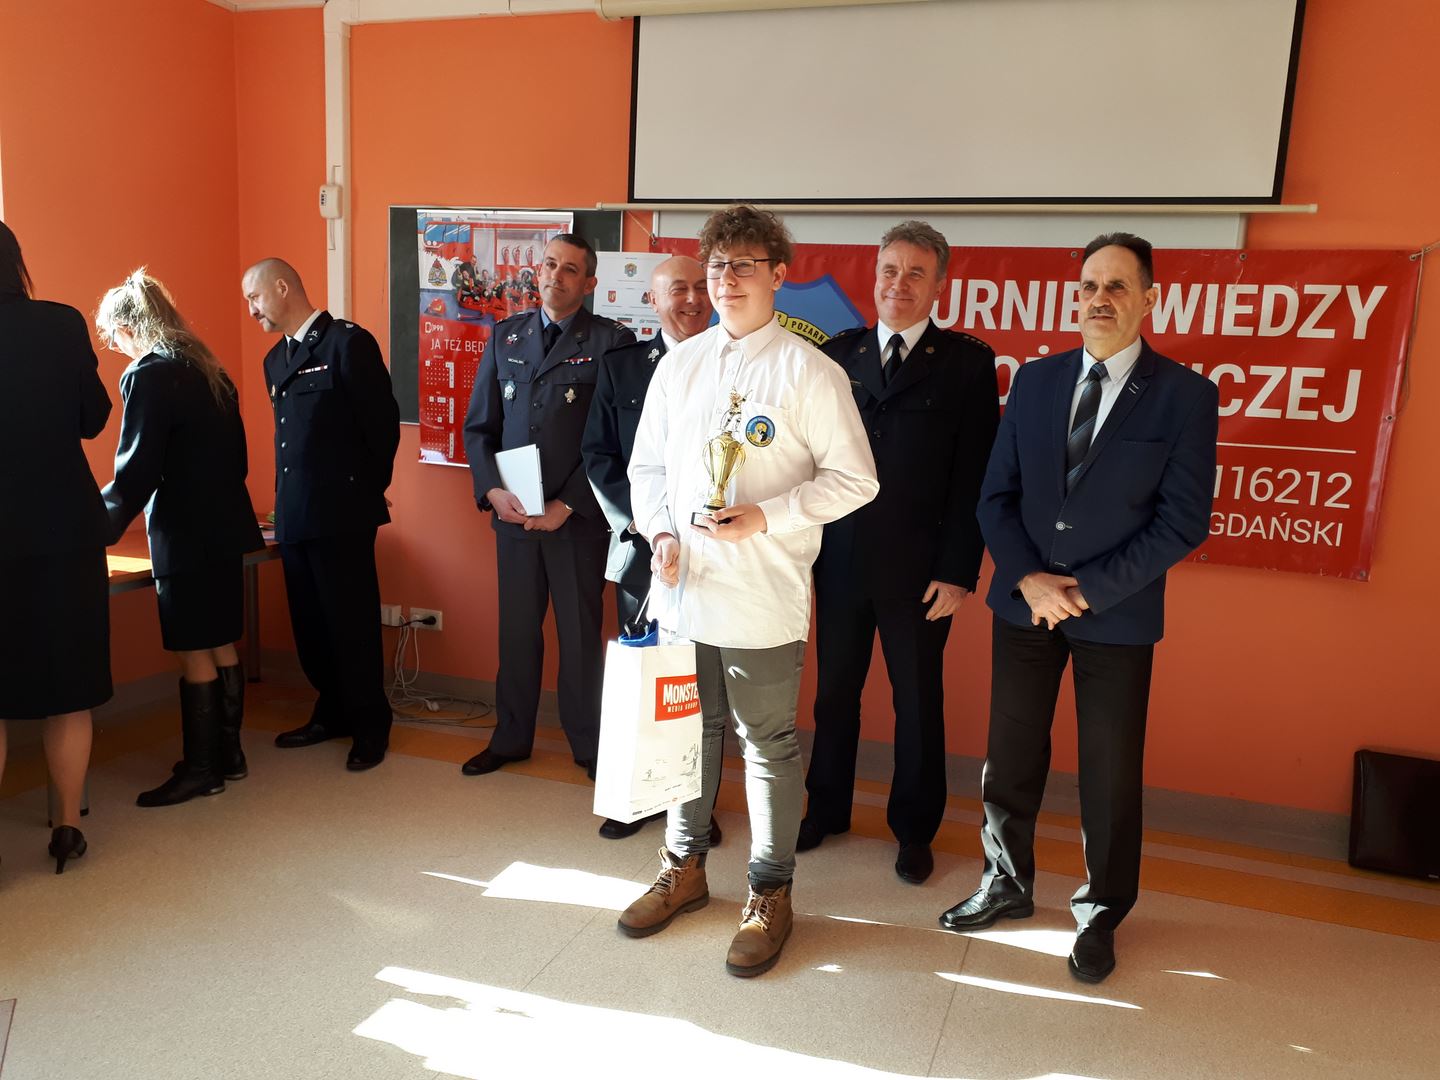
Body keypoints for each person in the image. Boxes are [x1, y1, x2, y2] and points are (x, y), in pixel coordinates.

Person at [937, 233, 1219, 984]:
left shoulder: (1186, 396)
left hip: (1115, 615)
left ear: (1150, 299)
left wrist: (1086, 591)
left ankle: (1101, 913)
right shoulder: (1035, 380)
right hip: (1025, 605)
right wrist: (1029, 579)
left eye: (1118, 286)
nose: (1100, 299)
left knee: (1110, 773)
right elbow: (995, 497)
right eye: (1090, 285)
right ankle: (1006, 882)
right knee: (1010, 756)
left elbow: (1182, 522)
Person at [621, 206, 878, 977]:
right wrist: (660, 534)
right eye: (717, 266)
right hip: (683, 590)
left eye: (744, 265)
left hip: (763, 593)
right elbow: (647, 469)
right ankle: (684, 869)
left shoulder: (811, 372)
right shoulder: (679, 365)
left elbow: (856, 480)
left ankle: (770, 892)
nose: (727, 280)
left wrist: (769, 515)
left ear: (778, 274)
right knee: (688, 735)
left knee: (766, 745)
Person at [799, 221, 999, 884]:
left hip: (921, 571)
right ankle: (826, 808)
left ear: (940, 285)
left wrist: (958, 570)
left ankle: (914, 830)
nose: (899, 284)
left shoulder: (967, 363)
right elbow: (808, 460)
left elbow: (975, 477)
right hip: (840, 559)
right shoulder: (836, 354)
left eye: (916, 273)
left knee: (916, 702)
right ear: (874, 276)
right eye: (890, 270)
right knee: (834, 695)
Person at [461, 234, 635, 800]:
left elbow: (615, 439)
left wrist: (568, 504)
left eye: (570, 270)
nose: (556, 276)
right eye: (550, 265)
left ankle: (589, 745)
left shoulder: (612, 341)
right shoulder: (505, 336)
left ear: (589, 283)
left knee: (580, 637)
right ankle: (511, 737)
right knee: (516, 634)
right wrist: (492, 491)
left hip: (577, 521)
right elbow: (480, 428)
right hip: (514, 518)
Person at [96, 270, 264, 806]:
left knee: (191, 648)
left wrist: (94, 525)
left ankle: (201, 769)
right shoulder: (209, 368)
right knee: (220, 640)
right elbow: (238, 460)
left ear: (128, 328)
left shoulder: (149, 374)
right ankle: (229, 756)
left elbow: (137, 469)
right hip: (226, 524)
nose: (118, 350)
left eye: (114, 339)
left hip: (184, 531)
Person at [581, 254, 723, 845]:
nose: (692, 299)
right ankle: (640, 795)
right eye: (677, 289)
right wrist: (647, 524)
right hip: (644, 552)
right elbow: (599, 455)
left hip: (716, 553)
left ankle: (695, 805)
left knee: (698, 685)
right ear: (654, 300)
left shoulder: (733, 362)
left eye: (700, 287)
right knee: (646, 676)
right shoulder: (622, 368)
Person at [240, 259, 400, 771]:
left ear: (282, 287)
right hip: (294, 514)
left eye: (255, 297)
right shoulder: (275, 360)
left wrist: (362, 495)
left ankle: (370, 724)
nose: (251, 310)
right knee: (310, 628)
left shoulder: (347, 344)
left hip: (342, 516)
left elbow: (382, 429)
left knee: (351, 624)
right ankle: (331, 711)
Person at [0, 220, 112, 873]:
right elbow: (94, 418)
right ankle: (67, 827)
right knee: (68, 689)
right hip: (66, 530)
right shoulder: (62, 323)